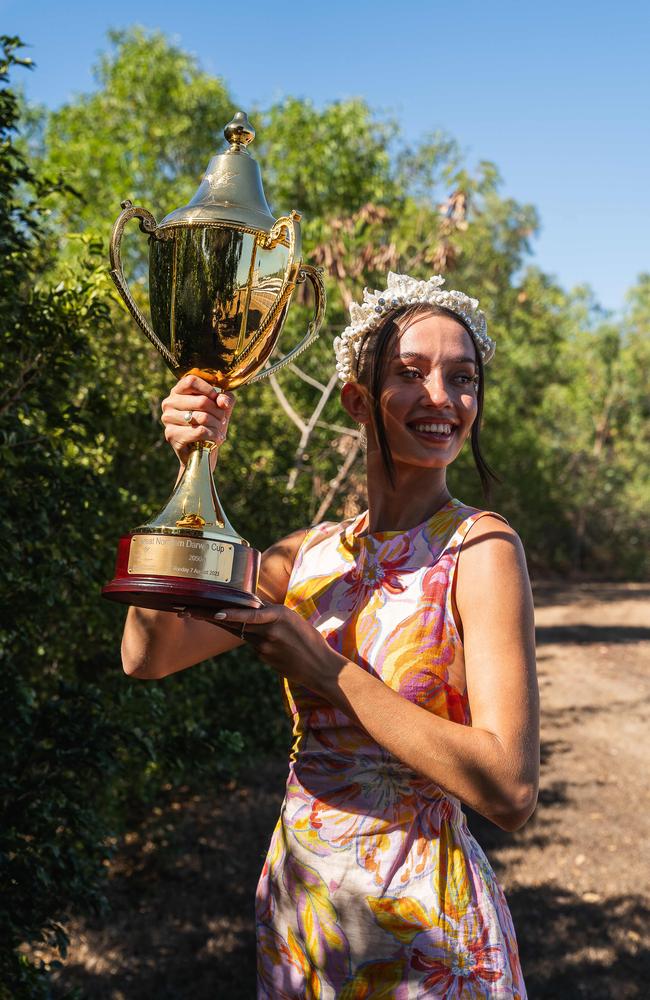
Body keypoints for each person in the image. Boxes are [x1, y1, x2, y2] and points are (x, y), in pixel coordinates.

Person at [122, 272, 539, 998]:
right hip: (306, 910)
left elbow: (510, 788)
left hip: (423, 928)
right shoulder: (303, 558)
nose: (441, 397)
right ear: (357, 399)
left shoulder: (480, 548)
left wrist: (329, 672)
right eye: (409, 374)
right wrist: (190, 469)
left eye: (462, 378)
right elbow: (148, 655)